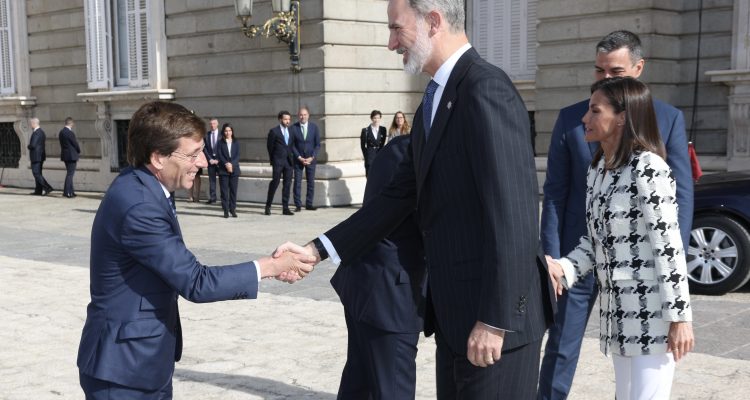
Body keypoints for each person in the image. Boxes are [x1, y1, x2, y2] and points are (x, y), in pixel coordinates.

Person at [275, 1, 556, 398]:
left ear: (434, 22)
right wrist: (316, 251)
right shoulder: (434, 100)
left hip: (494, 329)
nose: (391, 43)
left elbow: (514, 212)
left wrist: (495, 320)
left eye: (396, 29)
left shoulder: (485, 87)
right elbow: (393, 200)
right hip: (457, 322)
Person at [76, 101, 313, 399]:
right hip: (124, 370)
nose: (202, 162)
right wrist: (271, 266)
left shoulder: (148, 186)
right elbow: (196, 282)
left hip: (144, 361)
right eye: (192, 154)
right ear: (158, 157)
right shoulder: (139, 205)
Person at [538, 30, 694, 400]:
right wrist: (559, 264)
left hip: (649, 308)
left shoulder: (649, 164)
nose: (585, 117)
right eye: (599, 71)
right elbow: (577, 220)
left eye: (595, 111)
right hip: (615, 310)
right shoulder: (600, 168)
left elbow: (668, 243)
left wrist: (680, 315)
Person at [331, 132, 426, 400]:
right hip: (390, 295)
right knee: (391, 389)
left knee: (360, 381)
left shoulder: (400, 145)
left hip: (368, 285)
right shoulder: (411, 153)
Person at [291, 106, 321, 212]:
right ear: (298, 116)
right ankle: (298, 205)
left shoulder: (314, 127)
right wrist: (299, 157)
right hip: (298, 159)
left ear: (308, 116)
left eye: (305, 114)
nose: (302, 117)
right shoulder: (293, 128)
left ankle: (309, 204)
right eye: (301, 115)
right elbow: (291, 145)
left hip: (310, 159)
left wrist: (312, 157)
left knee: (311, 182)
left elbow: (317, 144)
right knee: (297, 182)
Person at [265, 110, 296, 216]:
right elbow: (270, 147)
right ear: (280, 119)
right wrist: (274, 160)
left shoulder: (291, 131)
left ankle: (285, 207)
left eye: (289, 119)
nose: (287, 121)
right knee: (275, 182)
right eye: (285, 119)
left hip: (288, 162)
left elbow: (291, 146)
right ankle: (268, 205)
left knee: (287, 185)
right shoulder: (274, 131)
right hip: (278, 162)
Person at [218, 123, 240, 218]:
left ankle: (232, 209)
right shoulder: (220, 142)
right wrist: (226, 164)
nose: (228, 132)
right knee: (224, 191)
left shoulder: (236, 142)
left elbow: (237, 155)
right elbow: (219, 155)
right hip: (223, 169)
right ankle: (225, 210)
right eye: (226, 131)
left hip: (234, 169)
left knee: (233, 191)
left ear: (232, 131)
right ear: (223, 132)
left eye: (230, 130)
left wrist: (232, 164)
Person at [28, 117, 54, 196]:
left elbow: (33, 145)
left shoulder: (37, 132)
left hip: (36, 157)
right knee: (38, 173)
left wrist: (28, 146)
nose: (30, 125)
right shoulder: (41, 132)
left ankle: (47, 187)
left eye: (31, 123)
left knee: (36, 173)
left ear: (34, 124)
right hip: (40, 156)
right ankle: (38, 190)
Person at [59, 117, 81, 198]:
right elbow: (75, 143)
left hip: (65, 155)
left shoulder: (61, 132)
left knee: (69, 173)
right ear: (71, 123)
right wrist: (78, 150)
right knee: (70, 174)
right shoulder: (70, 133)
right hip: (71, 156)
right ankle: (67, 192)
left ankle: (71, 191)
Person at [359, 110, 386, 176]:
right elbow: (363, 146)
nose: (376, 120)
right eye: (374, 118)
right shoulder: (365, 130)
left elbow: (382, 143)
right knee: (370, 178)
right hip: (370, 158)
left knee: (379, 177)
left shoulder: (383, 129)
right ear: (371, 118)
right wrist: (367, 156)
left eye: (378, 118)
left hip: (379, 157)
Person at [203, 118, 221, 204]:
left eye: (214, 123)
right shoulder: (207, 135)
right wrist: (209, 159)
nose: (212, 125)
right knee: (212, 181)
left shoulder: (222, 135)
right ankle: (213, 198)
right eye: (211, 124)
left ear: (217, 124)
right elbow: (205, 148)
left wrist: (218, 159)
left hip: (220, 162)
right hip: (210, 161)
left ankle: (224, 198)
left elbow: (223, 148)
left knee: (222, 181)